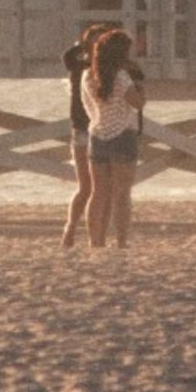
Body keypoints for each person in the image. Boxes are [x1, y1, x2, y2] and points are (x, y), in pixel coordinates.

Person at [80, 29, 145, 248]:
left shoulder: (87, 75)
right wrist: (141, 89)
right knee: (122, 193)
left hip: (97, 135)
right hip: (123, 135)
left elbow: (88, 107)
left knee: (98, 193)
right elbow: (137, 103)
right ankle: (121, 241)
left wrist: (101, 121)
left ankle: (95, 241)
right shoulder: (122, 76)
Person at [60, 23, 117, 249]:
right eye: (94, 41)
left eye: (100, 41)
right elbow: (67, 57)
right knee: (86, 187)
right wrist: (83, 43)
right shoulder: (79, 67)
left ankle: (99, 238)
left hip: (104, 130)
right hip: (83, 130)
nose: (96, 45)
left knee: (107, 188)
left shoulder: (109, 68)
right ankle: (70, 228)